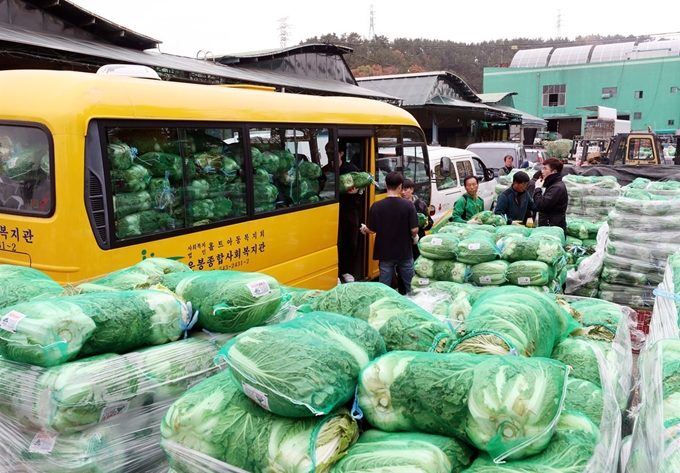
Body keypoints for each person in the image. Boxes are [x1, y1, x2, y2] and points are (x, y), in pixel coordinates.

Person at [362, 172, 419, 294]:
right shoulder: (408, 205)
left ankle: (384, 306)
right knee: (411, 285)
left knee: (384, 288)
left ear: (386, 185)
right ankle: (414, 306)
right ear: (400, 187)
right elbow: (414, 229)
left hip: (385, 253)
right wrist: (414, 237)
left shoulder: (376, 206)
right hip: (404, 251)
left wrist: (364, 229)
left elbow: (371, 230)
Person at [327, 141, 361, 283]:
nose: (330, 155)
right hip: (329, 212)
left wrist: (357, 190)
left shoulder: (351, 169)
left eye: (332, 152)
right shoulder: (325, 170)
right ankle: (335, 272)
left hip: (349, 210)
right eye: (327, 152)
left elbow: (361, 186)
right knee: (334, 243)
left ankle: (346, 271)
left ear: (341, 153)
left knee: (350, 241)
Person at [532, 158, 568, 234]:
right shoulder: (552, 185)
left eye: (545, 169)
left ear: (554, 171)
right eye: (542, 168)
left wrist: (537, 188)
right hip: (549, 226)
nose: (542, 171)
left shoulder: (557, 188)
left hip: (552, 228)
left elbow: (542, 204)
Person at [401, 179, 433, 260]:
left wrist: (423, 223)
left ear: (411, 189)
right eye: (401, 190)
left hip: (418, 241)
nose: (403, 192)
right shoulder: (398, 205)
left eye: (405, 190)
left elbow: (430, 223)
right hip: (403, 243)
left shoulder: (421, 205)